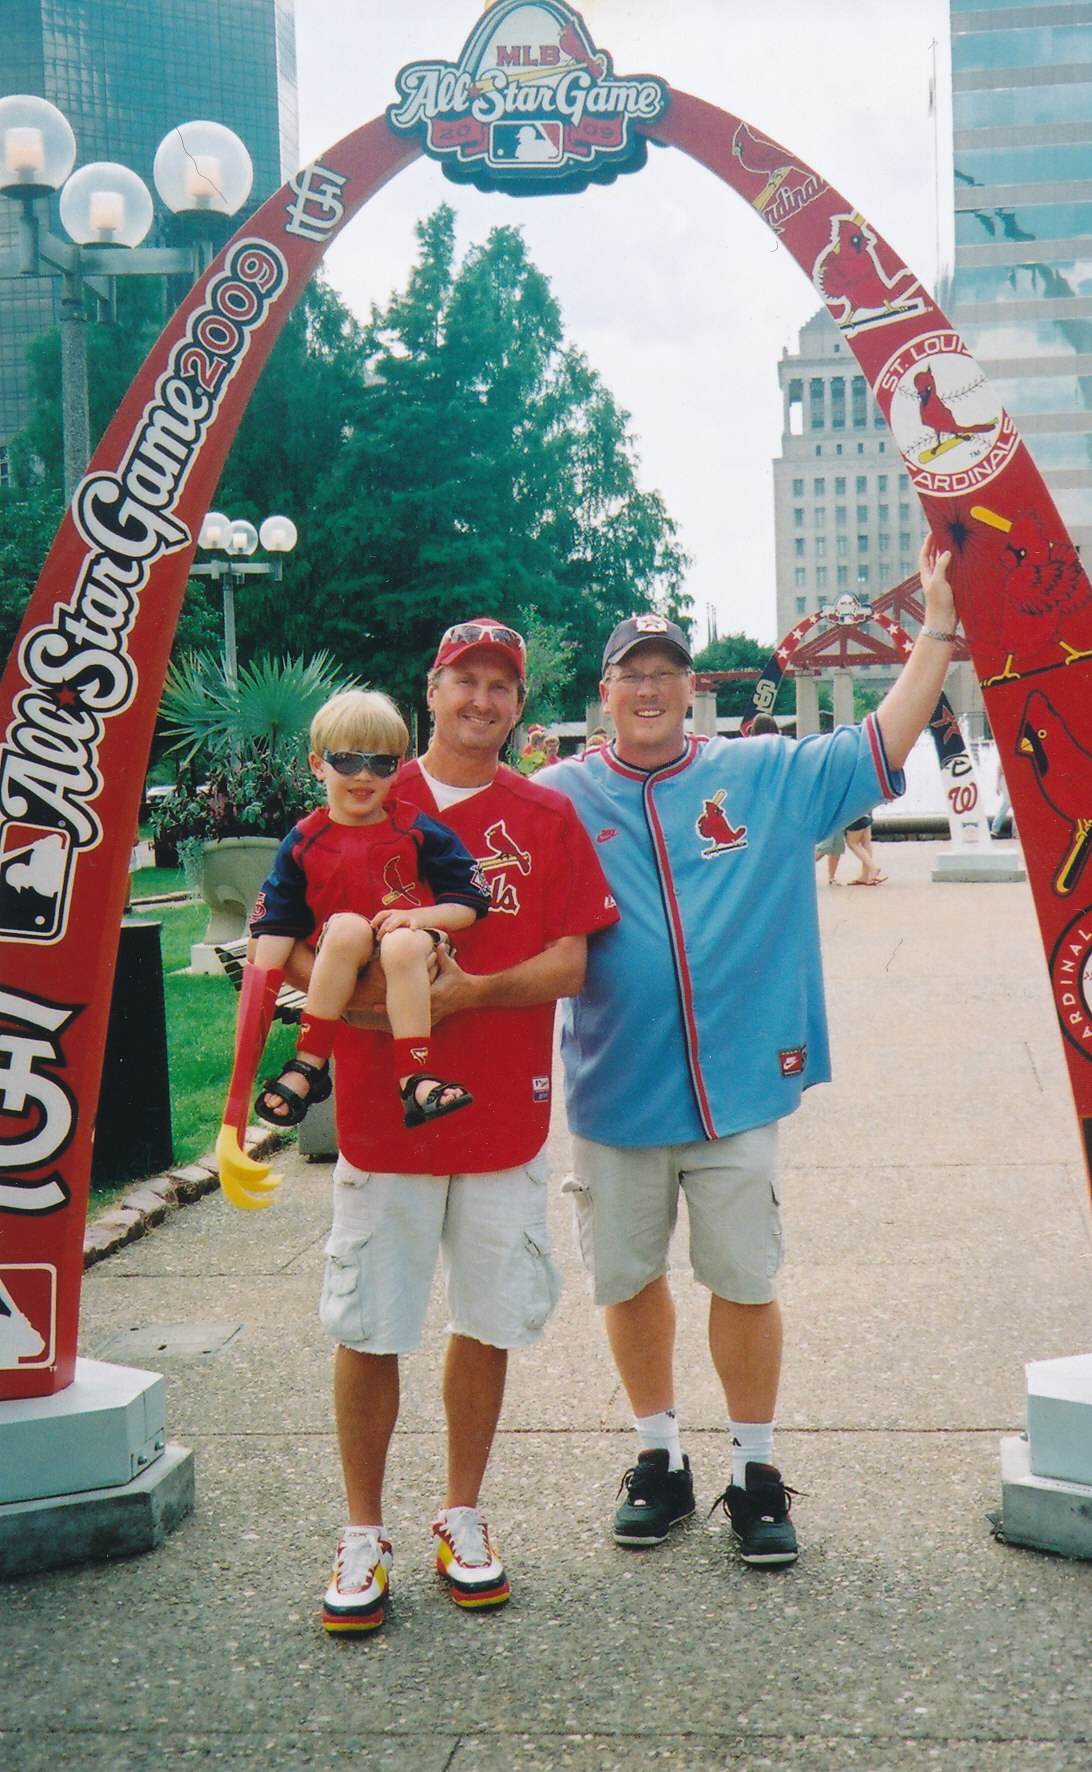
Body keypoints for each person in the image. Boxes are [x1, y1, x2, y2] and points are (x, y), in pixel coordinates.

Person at [539, 540, 957, 1569]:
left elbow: (880, 739)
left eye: (666, 671)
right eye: (631, 672)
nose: (649, 688)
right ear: (604, 692)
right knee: (627, 1279)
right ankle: (660, 1457)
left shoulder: (761, 775)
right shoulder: (556, 797)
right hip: (614, 1087)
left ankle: (754, 1469)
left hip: (734, 1091)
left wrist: (940, 629)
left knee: (744, 1278)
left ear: (693, 689)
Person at [283, 618, 619, 1634]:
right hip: (381, 1116)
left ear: (519, 704)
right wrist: (361, 1004)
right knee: (370, 1322)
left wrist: (468, 992)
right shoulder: (362, 792)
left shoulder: (545, 813)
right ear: (430, 690)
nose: (481, 699)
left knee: (487, 1316)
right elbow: (289, 943)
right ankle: (361, 1531)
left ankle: (461, 1514)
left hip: (502, 1111)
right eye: (463, 680)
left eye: (500, 685)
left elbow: (572, 961)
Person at [248, 690, 491, 1131]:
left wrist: (419, 918)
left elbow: (471, 902)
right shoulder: (304, 841)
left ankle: (415, 1077)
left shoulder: (414, 828)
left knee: (399, 942)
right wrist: (255, 1016)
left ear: (397, 768)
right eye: (346, 761)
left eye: (381, 763)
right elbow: (273, 933)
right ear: (317, 764)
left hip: (416, 952)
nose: (364, 776)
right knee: (344, 928)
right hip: (347, 955)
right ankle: (309, 1062)